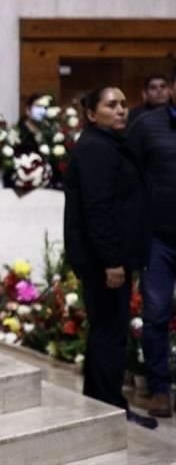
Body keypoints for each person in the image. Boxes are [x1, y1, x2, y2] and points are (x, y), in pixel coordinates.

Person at [64, 86, 157, 430]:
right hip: (106, 261)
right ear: (91, 114)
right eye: (111, 105)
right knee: (109, 333)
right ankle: (109, 406)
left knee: (107, 330)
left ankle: (101, 402)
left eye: (122, 104)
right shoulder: (95, 149)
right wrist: (112, 261)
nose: (121, 110)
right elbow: (98, 210)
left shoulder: (108, 144)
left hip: (112, 257)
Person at [127, 73, 176, 418]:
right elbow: (129, 178)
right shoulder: (146, 126)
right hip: (158, 238)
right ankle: (160, 390)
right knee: (156, 314)